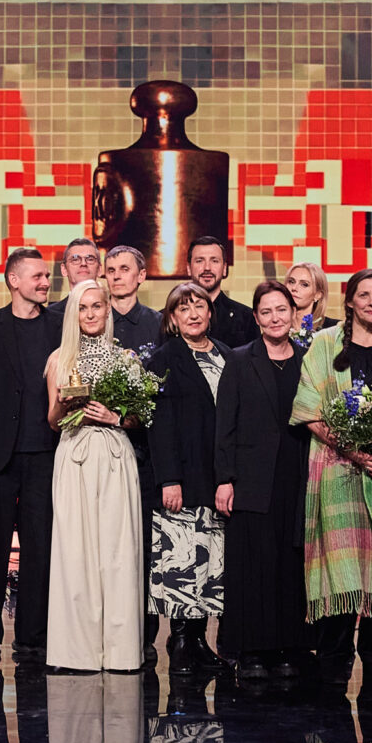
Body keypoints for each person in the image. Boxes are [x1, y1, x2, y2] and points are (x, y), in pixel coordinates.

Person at [291, 269, 372, 682]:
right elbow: (308, 410)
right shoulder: (326, 344)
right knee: (342, 558)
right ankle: (335, 654)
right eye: (363, 295)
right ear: (349, 301)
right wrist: (352, 450)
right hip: (340, 469)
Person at [0, 248, 61, 664]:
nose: (45, 283)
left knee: (40, 550)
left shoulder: (60, 326)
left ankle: (32, 638)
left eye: (46, 276)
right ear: (13, 280)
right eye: (37, 276)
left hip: (46, 455)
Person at [215, 280, 315, 679]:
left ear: (294, 314)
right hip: (251, 478)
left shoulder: (307, 360)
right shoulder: (240, 360)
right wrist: (225, 479)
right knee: (253, 563)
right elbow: (225, 425)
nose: (275, 318)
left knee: (292, 563)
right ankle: (252, 650)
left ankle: (290, 645)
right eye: (267, 311)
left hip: (298, 474)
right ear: (256, 318)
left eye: (281, 310)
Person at [46, 279, 145, 672]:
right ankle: (78, 653)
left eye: (97, 306)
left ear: (108, 309)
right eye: (82, 308)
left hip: (116, 454)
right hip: (75, 454)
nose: (90, 314)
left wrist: (115, 417)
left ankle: (121, 652)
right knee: (76, 552)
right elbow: (52, 421)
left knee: (119, 553)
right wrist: (64, 404)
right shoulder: (60, 359)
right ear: (73, 313)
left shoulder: (127, 359)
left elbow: (140, 417)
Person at [147, 283, 229, 671]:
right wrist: (169, 478)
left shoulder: (228, 354)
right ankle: (180, 644)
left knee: (210, 560)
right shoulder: (163, 359)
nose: (193, 314)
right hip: (182, 475)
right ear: (172, 318)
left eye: (199, 306)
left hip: (218, 475)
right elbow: (159, 425)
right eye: (184, 308)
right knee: (182, 560)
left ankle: (198, 641)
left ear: (210, 312)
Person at [188, 234, 259, 349]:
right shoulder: (168, 317)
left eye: (214, 261)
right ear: (188, 268)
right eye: (199, 261)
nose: (207, 267)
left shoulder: (246, 317)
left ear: (225, 268)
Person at [101, 244, 163, 350]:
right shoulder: (94, 321)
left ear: (141, 275)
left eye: (124, 269)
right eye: (111, 271)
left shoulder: (159, 324)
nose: (116, 276)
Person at [283, 261, 331, 345]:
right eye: (291, 282)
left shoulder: (332, 329)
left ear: (318, 295)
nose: (294, 288)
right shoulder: (276, 327)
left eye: (304, 284)